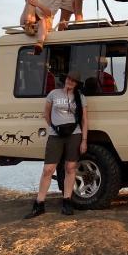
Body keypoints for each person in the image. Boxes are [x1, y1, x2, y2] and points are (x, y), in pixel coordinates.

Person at [24, 71, 88, 218]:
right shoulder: (53, 94)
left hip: (74, 134)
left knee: (70, 168)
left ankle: (67, 201)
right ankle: (39, 204)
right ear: (65, 79)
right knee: (48, 169)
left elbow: (84, 120)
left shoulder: (80, 97)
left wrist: (84, 140)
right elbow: (46, 114)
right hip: (55, 135)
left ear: (77, 84)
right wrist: (54, 127)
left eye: (74, 80)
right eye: (69, 79)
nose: (70, 81)